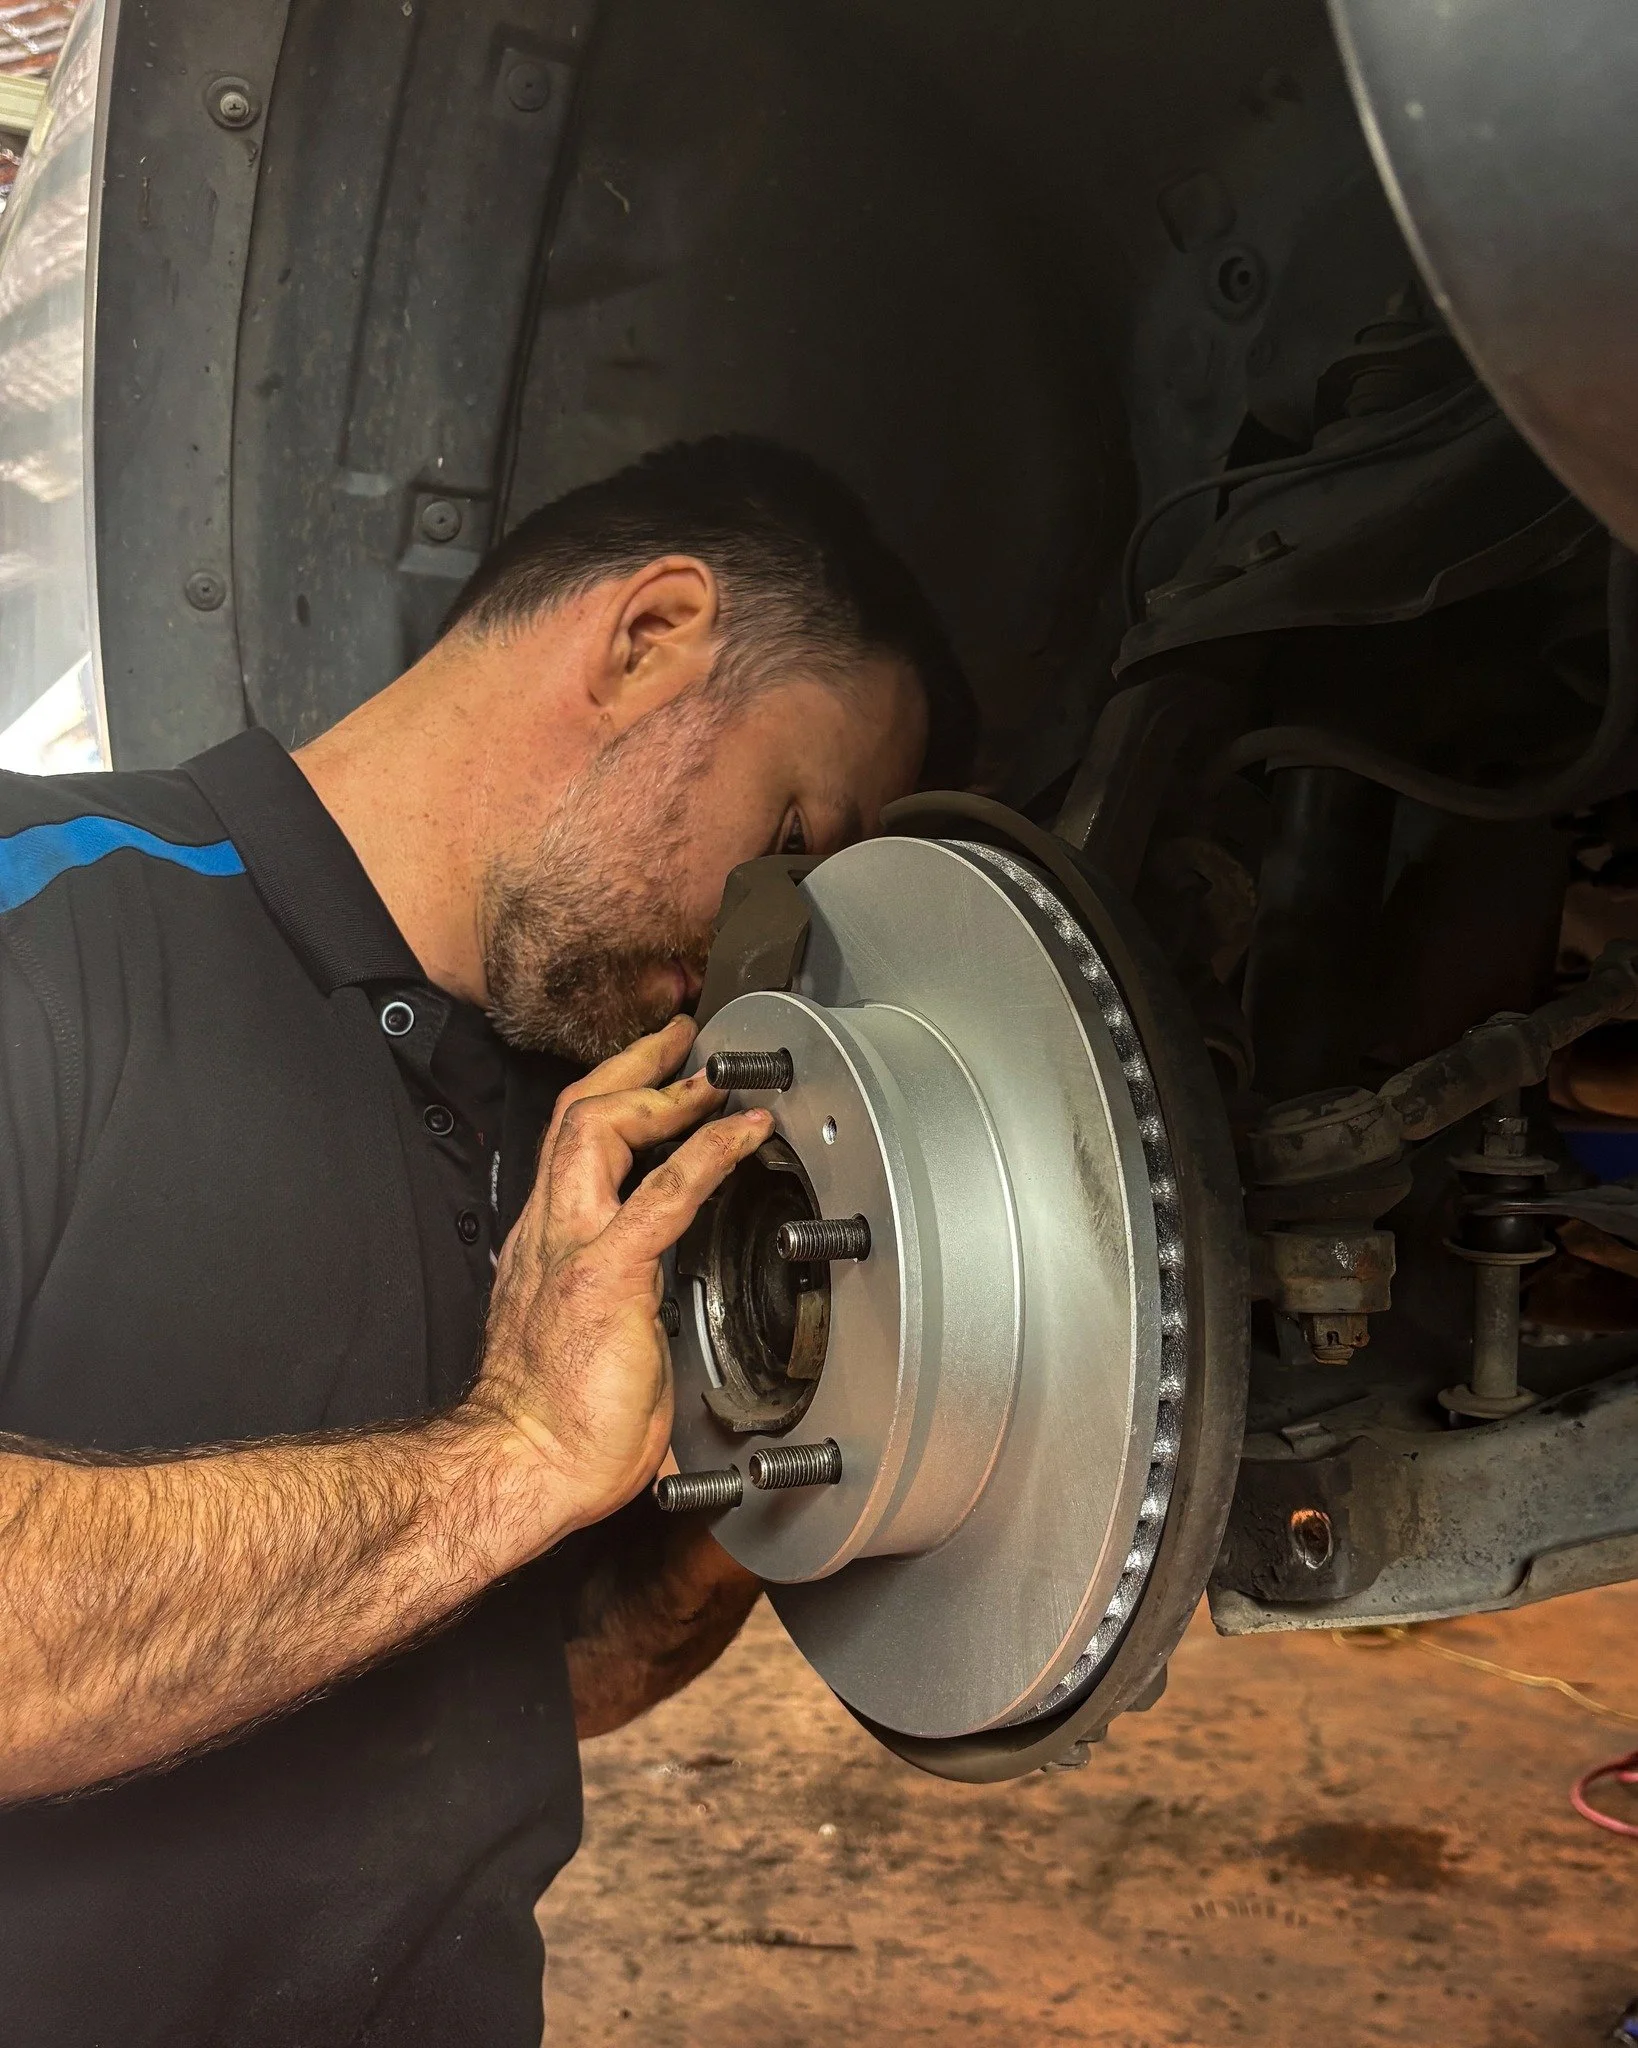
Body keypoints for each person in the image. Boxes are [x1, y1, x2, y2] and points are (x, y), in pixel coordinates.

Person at [0, 437, 971, 2046]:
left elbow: (537, 1681)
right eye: (789, 828)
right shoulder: (41, 923)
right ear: (648, 636)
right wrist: (513, 1451)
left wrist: (830, 1414)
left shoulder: (581, 1130)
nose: (769, 932)